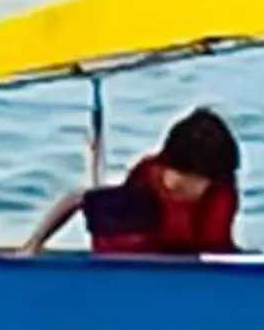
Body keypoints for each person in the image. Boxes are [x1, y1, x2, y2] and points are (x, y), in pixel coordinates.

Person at [21, 107, 241, 255]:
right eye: (192, 181)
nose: (201, 188)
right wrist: (32, 246)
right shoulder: (145, 182)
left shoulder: (219, 192)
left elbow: (218, 253)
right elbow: (77, 199)